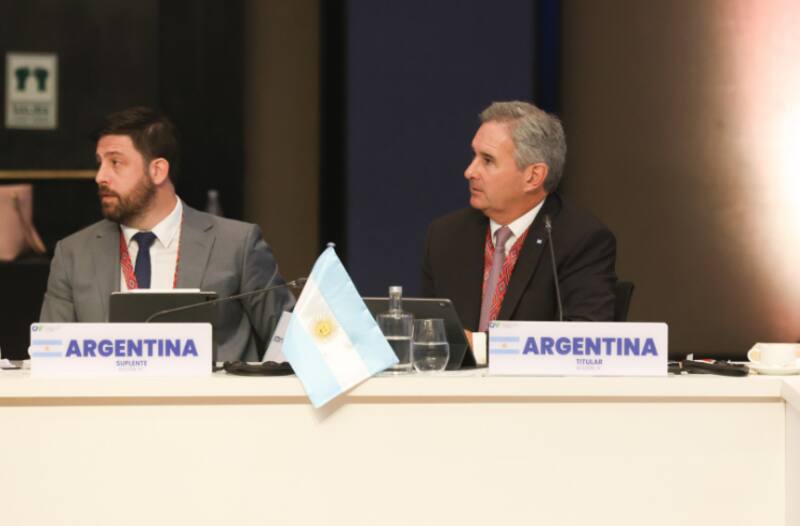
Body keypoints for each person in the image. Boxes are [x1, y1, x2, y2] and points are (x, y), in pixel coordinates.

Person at [39, 106, 294, 361]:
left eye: (115, 162)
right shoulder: (73, 254)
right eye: (100, 163)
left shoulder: (236, 245)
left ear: (158, 171)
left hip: (207, 399)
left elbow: (293, 343)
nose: (100, 176)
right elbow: (50, 358)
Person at [421, 101, 617, 335]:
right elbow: (428, 333)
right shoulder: (446, 236)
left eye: (488, 160)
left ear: (533, 176)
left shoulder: (580, 240)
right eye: (474, 156)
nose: (470, 171)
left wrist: (485, 348)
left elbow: (585, 338)